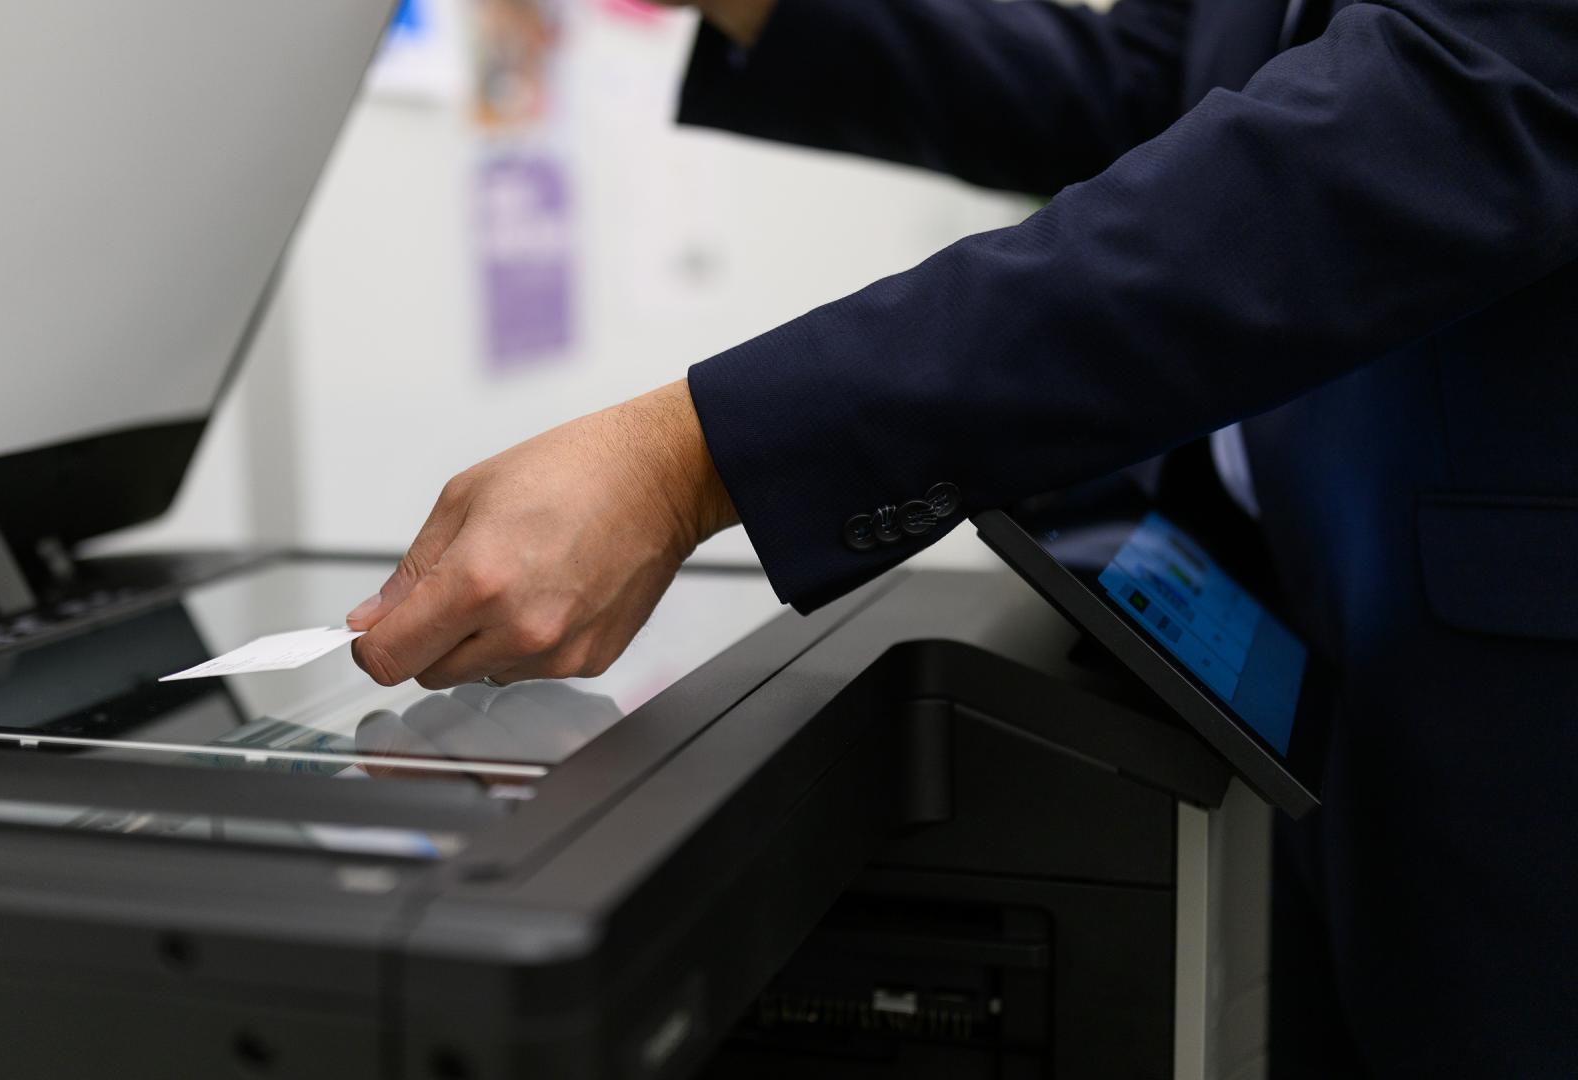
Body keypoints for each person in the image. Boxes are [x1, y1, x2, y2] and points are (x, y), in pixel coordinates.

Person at [344, 0, 1578, 1073]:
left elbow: (1425, 120)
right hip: (1285, 645)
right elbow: (1157, 89)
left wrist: (699, 456)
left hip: (1511, 731)